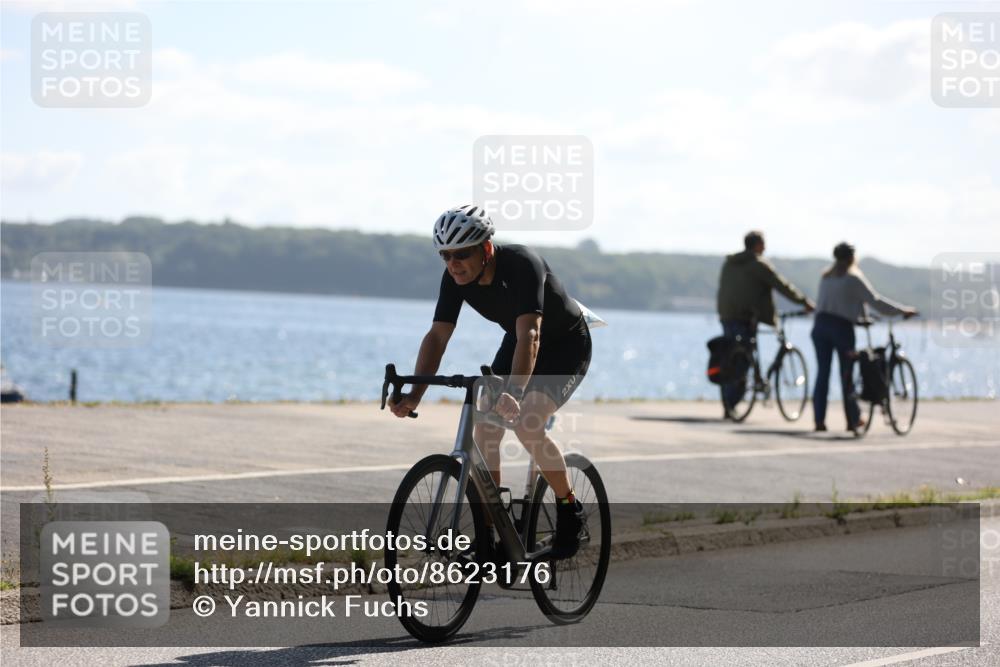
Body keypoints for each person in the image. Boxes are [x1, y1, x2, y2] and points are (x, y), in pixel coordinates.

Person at [388, 204, 592, 559]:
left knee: (527, 423)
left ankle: (569, 508)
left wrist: (514, 392)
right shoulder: (455, 278)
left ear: (485, 249)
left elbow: (531, 334)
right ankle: (492, 534)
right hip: (518, 340)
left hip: (564, 345)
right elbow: (437, 337)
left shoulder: (522, 264)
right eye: (445, 256)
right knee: (485, 430)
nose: (453, 264)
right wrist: (415, 394)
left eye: (461, 254)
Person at [811, 242, 917, 433]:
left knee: (822, 374)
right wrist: (901, 311)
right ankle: (852, 419)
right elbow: (874, 301)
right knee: (847, 373)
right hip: (841, 329)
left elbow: (833, 304)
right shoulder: (853, 278)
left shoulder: (826, 277)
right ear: (852, 258)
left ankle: (819, 420)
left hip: (820, 326)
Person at [716, 230, 815, 417]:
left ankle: (728, 402)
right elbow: (782, 285)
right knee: (743, 359)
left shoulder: (730, 263)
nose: (766, 248)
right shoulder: (759, 265)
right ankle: (732, 402)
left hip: (726, 315)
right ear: (757, 245)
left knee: (731, 355)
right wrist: (804, 302)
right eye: (763, 244)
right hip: (745, 316)